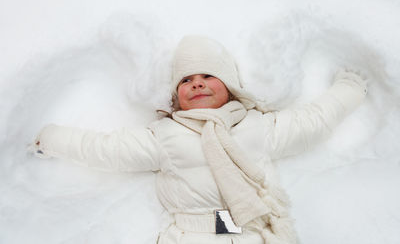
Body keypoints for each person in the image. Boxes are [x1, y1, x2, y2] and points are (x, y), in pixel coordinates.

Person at [31, 35, 367, 244]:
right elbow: (107, 150)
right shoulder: (166, 136)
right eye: (187, 80)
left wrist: (349, 90)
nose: (197, 84)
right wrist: (53, 138)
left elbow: (313, 121)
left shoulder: (257, 127)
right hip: (191, 236)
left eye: (209, 76)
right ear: (177, 96)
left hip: (254, 234)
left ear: (231, 87)